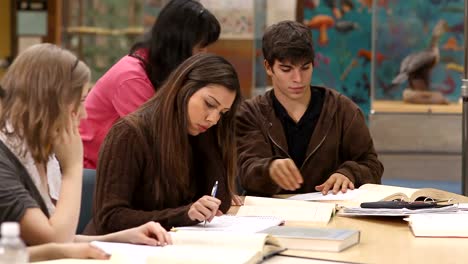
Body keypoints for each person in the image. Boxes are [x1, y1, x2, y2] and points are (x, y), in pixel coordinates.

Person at [0, 43, 171, 255]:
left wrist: (122, 237)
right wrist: (72, 167)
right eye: (80, 101)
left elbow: (57, 237)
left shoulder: (38, 149)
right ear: (49, 101)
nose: (83, 114)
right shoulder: (5, 157)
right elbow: (54, 239)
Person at [88, 53, 241, 234]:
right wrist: (183, 214)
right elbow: (110, 218)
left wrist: (210, 140)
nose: (213, 119)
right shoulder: (130, 134)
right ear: (183, 87)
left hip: (171, 246)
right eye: (209, 104)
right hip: (120, 251)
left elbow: (219, 201)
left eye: (222, 113)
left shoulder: (199, 133)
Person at [236, 21, 384, 197]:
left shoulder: (343, 110)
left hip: (331, 216)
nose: (298, 79)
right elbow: (244, 170)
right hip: (269, 216)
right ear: (268, 67)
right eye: (286, 69)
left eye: (305, 67)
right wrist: (268, 169)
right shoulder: (250, 113)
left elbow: (372, 166)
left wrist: (348, 173)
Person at [80, 0, 221, 169]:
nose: (203, 56)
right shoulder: (132, 77)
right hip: (92, 171)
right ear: (178, 45)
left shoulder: (160, 69)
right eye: (200, 49)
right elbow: (156, 143)